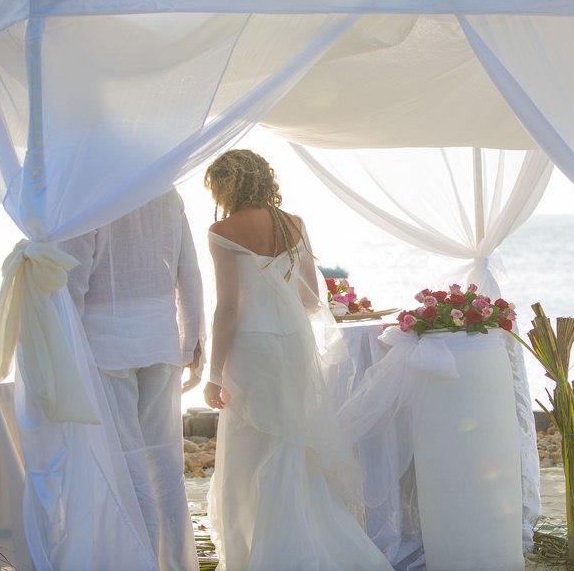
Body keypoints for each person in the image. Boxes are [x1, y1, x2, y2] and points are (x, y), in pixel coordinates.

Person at [202, 149, 392, 571]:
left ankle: (263, 550)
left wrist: (214, 373)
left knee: (251, 445)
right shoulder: (294, 225)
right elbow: (310, 297)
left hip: (251, 345)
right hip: (292, 344)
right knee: (290, 441)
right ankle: (313, 539)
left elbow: (228, 308)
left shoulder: (222, 230)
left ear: (226, 185)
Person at [60, 188, 204, 571]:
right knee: (165, 459)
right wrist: (190, 343)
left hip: (106, 343)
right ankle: (174, 562)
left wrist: (64, 347)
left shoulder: (93, 192)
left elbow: (74, 280)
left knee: (125, 461)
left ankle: (138, 560)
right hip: (160, 338)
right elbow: (188, 272)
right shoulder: (166, 190)